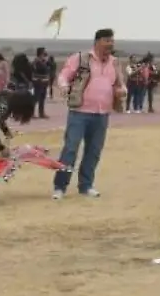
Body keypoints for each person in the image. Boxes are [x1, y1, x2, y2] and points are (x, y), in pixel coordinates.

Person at [52, 29, 126, 199]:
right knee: (70, 149)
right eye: (107, 40)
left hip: (102, 114)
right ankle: (60, 187)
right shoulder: (80, 58)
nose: (111, 44)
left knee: (93, 151)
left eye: (112, 41)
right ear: (97, 41)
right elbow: (63, 76)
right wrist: (64, 87)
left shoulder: (114, 63)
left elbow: (120, 84)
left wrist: (122, 91)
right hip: (79, 112)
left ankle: (86, 185)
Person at [29, 48, 54, 120]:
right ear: (41, 53)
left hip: (44, 81)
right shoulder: (36, 61)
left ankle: (41, 113)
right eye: (44, 52)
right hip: (38, 81)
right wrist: (46, 65)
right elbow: (43, 69)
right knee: (36, 98)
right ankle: (31, 113)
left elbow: (51, 66)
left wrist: (46, 62)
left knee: (42, 98)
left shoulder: (44, 61)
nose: (46, 53)